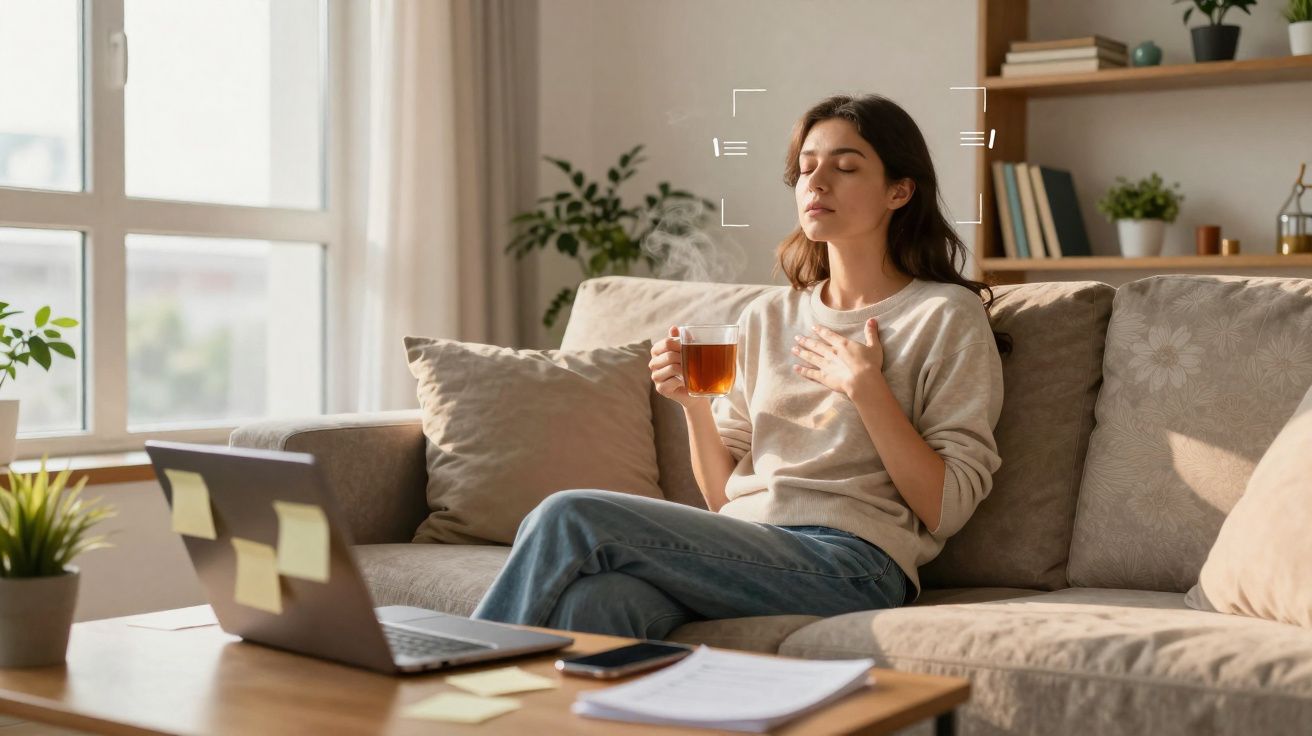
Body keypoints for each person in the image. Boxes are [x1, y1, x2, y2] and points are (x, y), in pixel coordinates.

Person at [471, 93, 1010, 640]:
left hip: (853, 563)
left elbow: (947, 510)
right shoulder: (767, 315)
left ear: (900, 190)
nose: (816, 183)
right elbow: (722, 497)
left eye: (845, 167)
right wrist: (694, 406)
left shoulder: (942, 314)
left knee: (570, 516)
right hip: (749, 546)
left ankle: (453, 679)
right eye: (805, 168)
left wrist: (866, 389)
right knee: (598, 600)